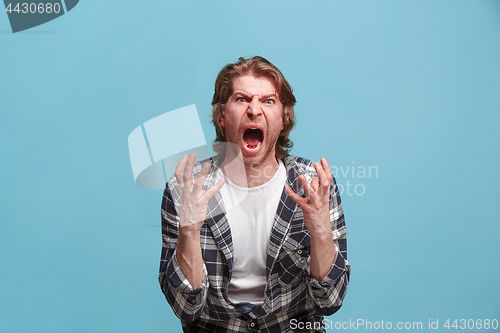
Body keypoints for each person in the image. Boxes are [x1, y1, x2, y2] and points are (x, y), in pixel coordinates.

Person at [159, 56, 350, 332]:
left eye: (268, 101)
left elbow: (330, 300)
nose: (254, 110)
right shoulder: (186, 189)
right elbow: (185, 308)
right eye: (241, 99)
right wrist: (189, 229)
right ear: (222, 117)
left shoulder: (314, 185)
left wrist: (320, 231)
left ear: (283, 120)